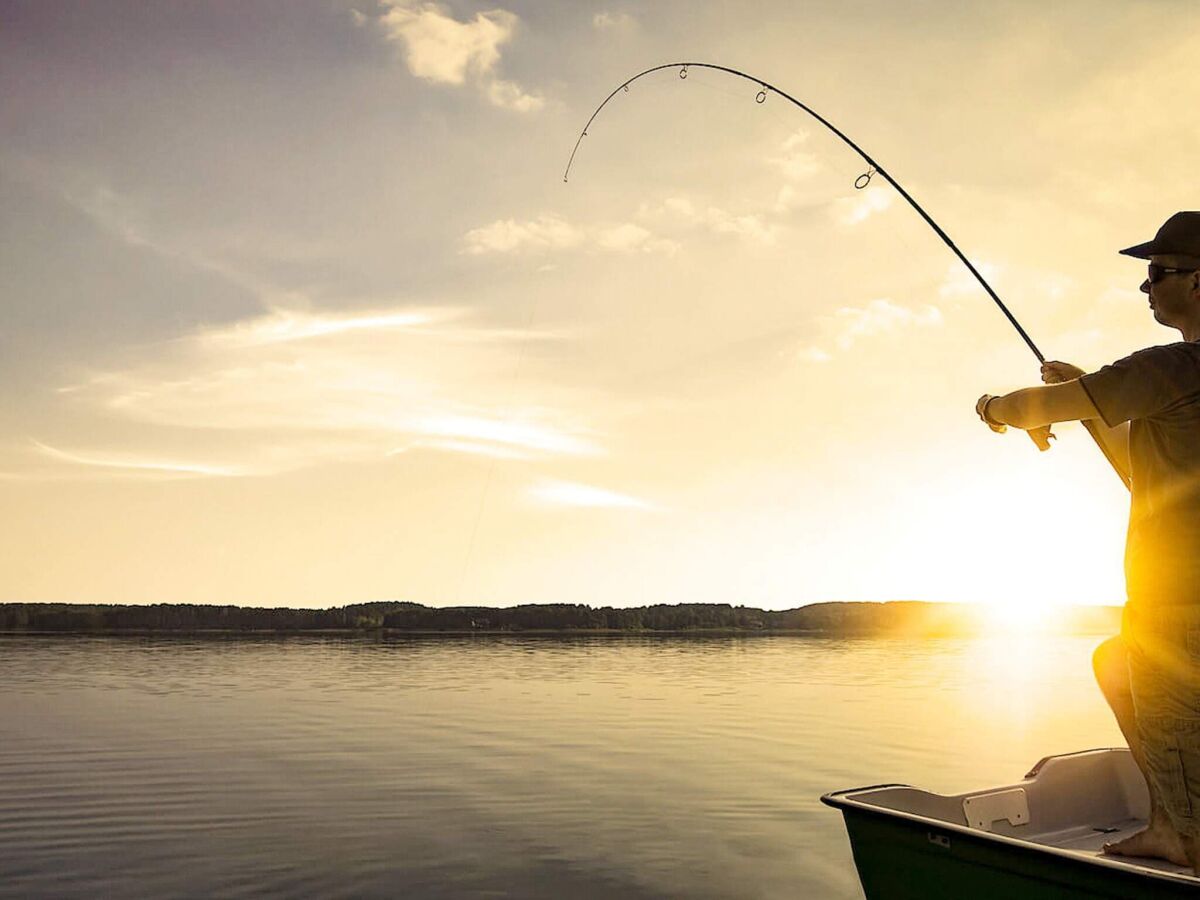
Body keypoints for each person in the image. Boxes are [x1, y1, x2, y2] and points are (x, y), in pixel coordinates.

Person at [975, 210, 1200, 873]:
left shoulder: (1176, 366)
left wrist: (992, 407)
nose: (1146, 287)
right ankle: (1172, 819)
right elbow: (1139, 468)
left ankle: (1184, 836)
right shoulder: (1173, 384)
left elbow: (1029, 410)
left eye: (1159, 273)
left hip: (1179, 598)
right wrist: (1085, 392)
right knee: (1115, 662)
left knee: (1151, 680)